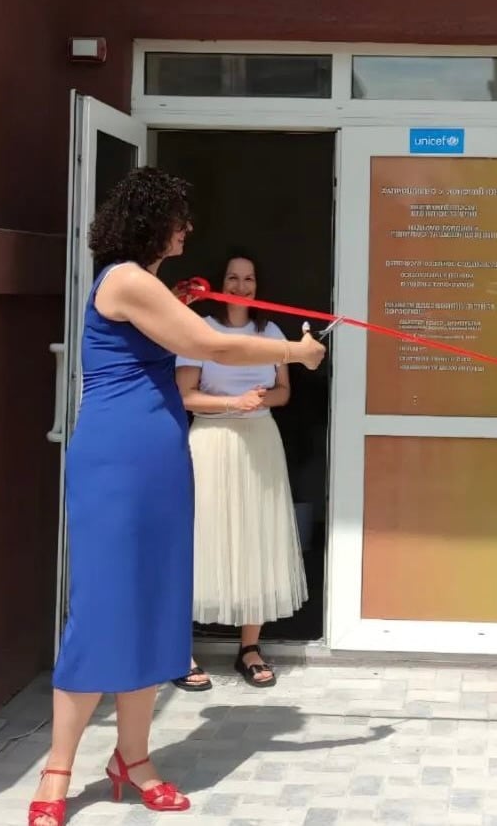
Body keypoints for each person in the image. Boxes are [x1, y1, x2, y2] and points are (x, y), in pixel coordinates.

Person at [29, 167, 326, 826]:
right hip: (119, 459)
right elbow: (207, 344)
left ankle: (133, 760)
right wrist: (296, 354)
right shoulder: (126, 281)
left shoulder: (145, 286)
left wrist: (178, 298)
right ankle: (57, 771)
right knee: (104, 608)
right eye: (179, 219)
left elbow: (163, 334)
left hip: (161, 457)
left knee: (155, 606)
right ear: (151, 223)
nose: (187, 229)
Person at [171, 251, 308, 692]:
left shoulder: (271, 332)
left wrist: (258, 401)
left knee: (256, 538)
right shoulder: (200, 330)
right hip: (211, 442)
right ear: (220, 281)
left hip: (259, 441)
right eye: (233, 277)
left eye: (249, 278)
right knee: (201, 539)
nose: (241, 286)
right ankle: (180, 650)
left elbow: (284, 391)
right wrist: (234, 402)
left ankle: (249, 648)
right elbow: (185, 396)